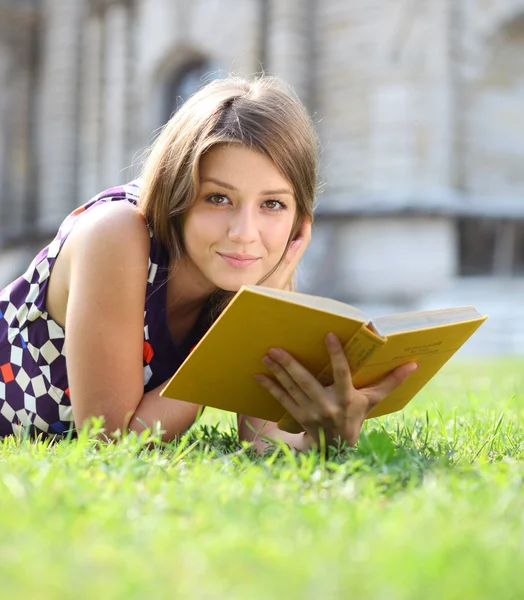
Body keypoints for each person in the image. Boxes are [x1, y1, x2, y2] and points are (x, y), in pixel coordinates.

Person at [0, 75, 417, 451]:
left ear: (298, 221)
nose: (244, 232)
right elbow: (114, 443)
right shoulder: (117, 234)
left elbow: (265, 438)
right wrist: (237, 336)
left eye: (273, 204)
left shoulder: (256, 270)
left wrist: (325, 437)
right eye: (218, 198)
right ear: (177, 194)